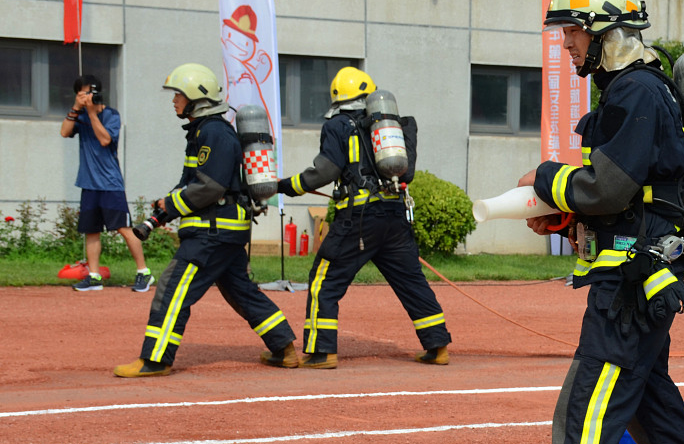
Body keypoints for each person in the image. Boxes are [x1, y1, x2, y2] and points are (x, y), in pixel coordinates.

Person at [478, 0, 684, 444]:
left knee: (590, 412)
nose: (567, 46)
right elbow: (623, 191)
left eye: (573, 34)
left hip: (632, 279)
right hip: (644, 273)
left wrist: (546, 181)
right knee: (649, 398)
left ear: (605, 31)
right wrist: (570, 208)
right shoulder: (635, 90)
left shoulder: (636, 93)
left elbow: (609, 188)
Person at [113, 64, 296, 377]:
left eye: (179, 95)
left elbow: (210, 186)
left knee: (172, 290)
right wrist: (166, 207)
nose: (174, 101)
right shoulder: (202, 131)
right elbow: (191, 181)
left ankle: (155, 359)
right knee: (242, 292)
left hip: (212, 232)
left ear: (196, 99)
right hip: (222, 231)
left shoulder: (214, 132)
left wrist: (172, 204)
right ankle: (285, 349)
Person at [275, 67, 451, 369]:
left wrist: (287, 186)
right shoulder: (385, 127)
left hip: (358, 220)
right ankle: (437, 346)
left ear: (336, 98)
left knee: (324, 280)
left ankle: (321, 351)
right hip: (395, 216)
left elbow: (324, 171)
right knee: (411, 281)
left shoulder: (338, 125)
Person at [60, 76, 153, 294]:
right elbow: (64, 132)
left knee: (124, 228)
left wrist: (92, 113)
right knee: (91, 231)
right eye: (82, 94)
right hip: (88, 183)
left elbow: (104, 140)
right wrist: (76, 108)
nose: (87, 98)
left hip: (110, 184)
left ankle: (144, 272)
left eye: (89, 93)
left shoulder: (111, 115)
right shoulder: (79, 116)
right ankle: (94, 277)